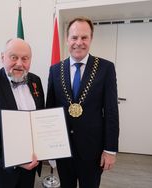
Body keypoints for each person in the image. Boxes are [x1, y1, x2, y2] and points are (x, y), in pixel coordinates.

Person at [46, 17, 119, 188]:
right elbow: (50, 110)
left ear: (91, 39)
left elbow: (111, 111)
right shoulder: (55, 69)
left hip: (92, 150)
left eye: (84, 37)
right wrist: (48, 148)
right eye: (74, 37)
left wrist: (110, 150)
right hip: (62, 148)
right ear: (67, 39)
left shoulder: (106, 68)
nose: (79, 42)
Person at [0, 38, 44, 188]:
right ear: (2, 57)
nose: (19, 63)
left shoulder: (35, 81)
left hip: (29, 169)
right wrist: (15, 160)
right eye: (14, 57)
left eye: (25, 58)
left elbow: (39, 120)